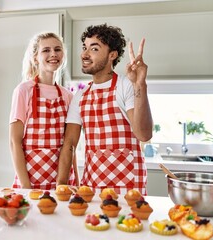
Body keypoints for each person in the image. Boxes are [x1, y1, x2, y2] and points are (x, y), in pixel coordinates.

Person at [57, 24, 153, 195]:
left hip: (128, 189)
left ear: (112, 55)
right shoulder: (80, 95)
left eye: (94, 49)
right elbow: (69, 144)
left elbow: (144, 134)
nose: (85, 54)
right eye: (85, 48)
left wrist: (140, 84)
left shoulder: (125, 85)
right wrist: (61, 185)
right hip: (92, 188)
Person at [9, 32, 78, 190]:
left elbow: (70, 145)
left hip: (63, 182)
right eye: (46, 50)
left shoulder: (68, 96)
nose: (53, 54)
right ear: (35, 58)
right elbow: (14, 142)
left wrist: (77, 183)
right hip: (31, 179)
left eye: (57, 49)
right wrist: (26, 187)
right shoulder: (23, 91)